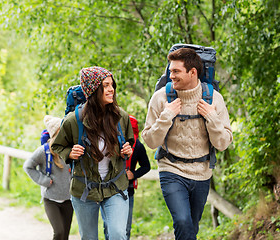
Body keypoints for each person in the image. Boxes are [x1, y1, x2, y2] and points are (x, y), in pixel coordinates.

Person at [142, 48, 233, 240]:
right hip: (172, 169)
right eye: (170, 71)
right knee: (182, 221)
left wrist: (211, 117)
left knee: (191, 227)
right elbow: (150, 141)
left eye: (176, 71)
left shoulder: (214, 99)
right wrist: (166, 116)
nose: (171, 75)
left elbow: (223, 143)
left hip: (202, 172)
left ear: (193, 72)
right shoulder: (161, 98)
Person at [51, 66, 134, 240]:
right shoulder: (74, 120)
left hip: (115, 187)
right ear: (94, 90)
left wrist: (127, 149)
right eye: (106, 85)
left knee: (118, 234)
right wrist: (70, 153)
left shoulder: (121, 117)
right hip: (84, 190)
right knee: (89, 237)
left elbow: (129, 142)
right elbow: (58, 146)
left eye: (112, 85)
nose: (111, 89)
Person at [23, 115, 73, 240]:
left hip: (68, 199)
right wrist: (43, 180)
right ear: (56, 133)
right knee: (59, 232)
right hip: (51, 199)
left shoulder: (69, 150)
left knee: (65, 235)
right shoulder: (43, 151)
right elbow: (28, 166)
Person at [103, 115, 151, 240]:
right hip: (110, 189)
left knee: (122, 227)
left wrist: (133, 175)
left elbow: (146, 166)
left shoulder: (138, 147)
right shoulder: (111, 142)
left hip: (127, 190)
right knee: (112, 226)